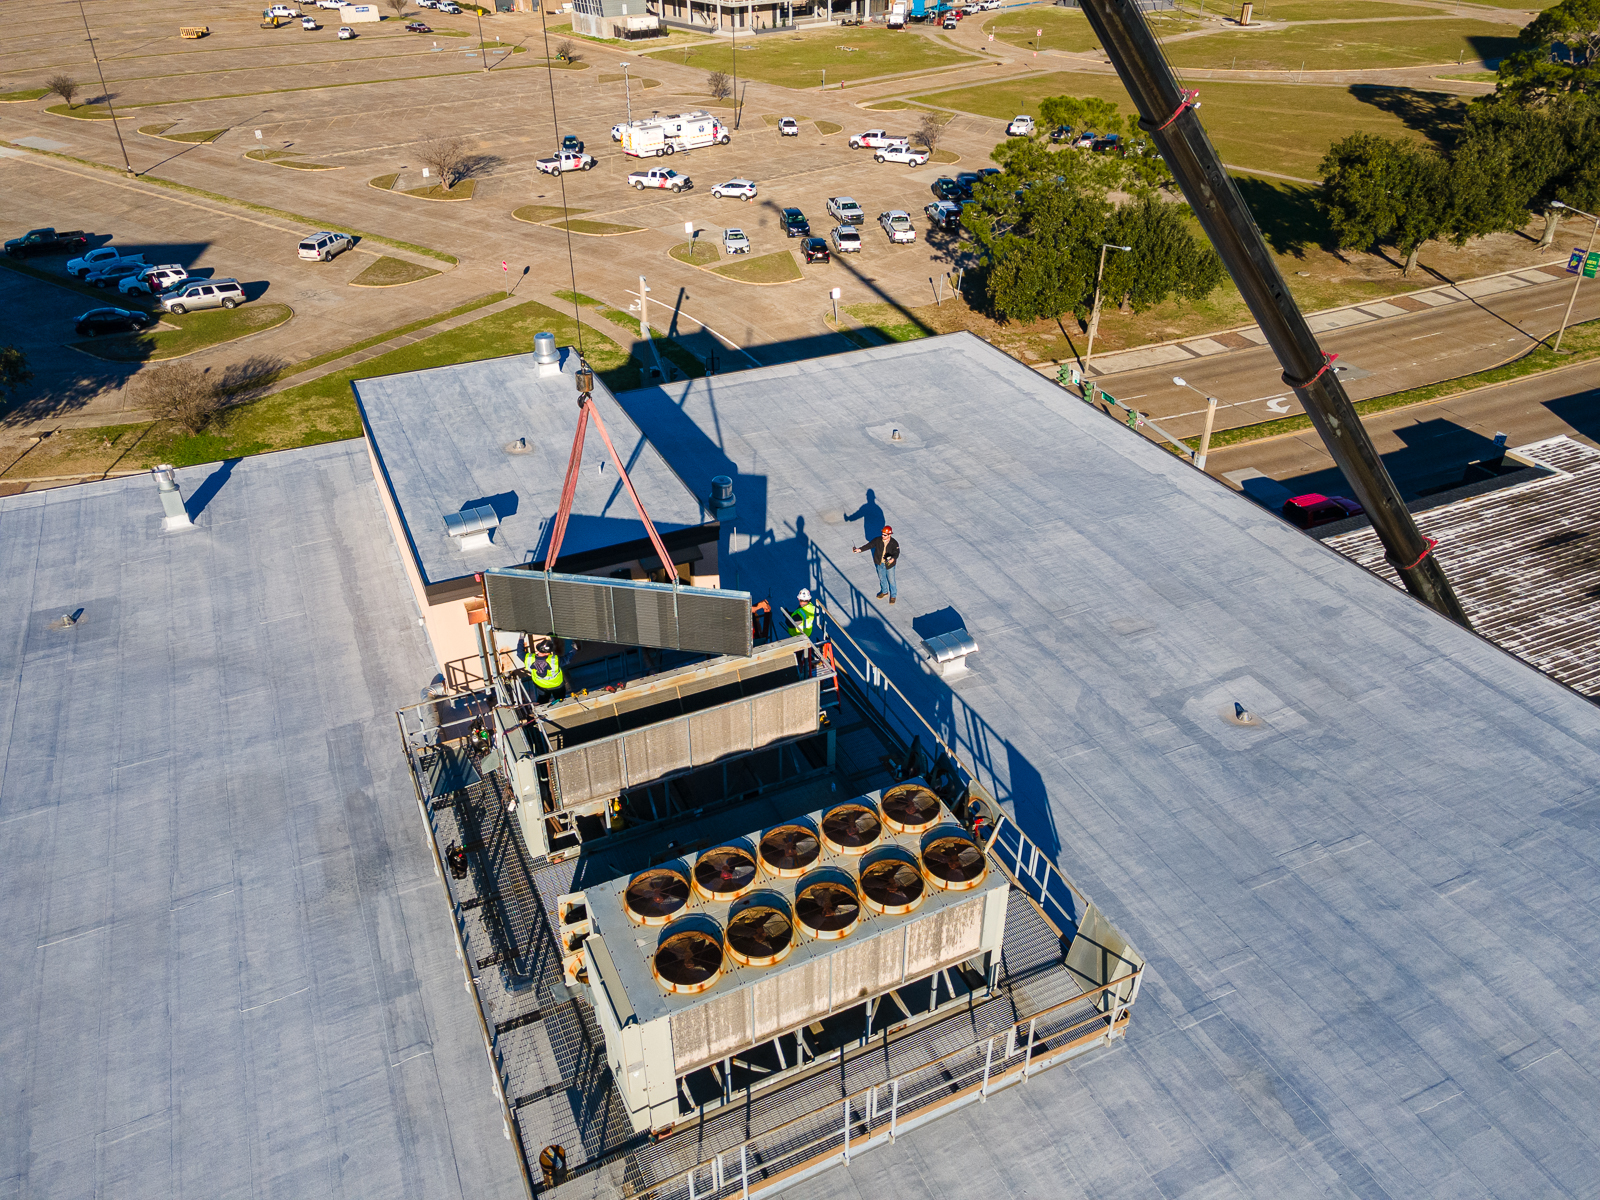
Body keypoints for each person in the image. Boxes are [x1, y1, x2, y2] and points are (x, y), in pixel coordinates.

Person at [852, 524, 900, 604]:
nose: (883, 536)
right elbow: (869, 545)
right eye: (882, 534)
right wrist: (859, 550)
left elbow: (896, 553)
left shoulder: (894, 543)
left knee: (891, 581)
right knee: (882, 578)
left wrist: (892, 559)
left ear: (889, 535)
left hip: (889, 565)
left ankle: (893, 596)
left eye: (884, 535)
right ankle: (884, 592)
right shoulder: (878, 540)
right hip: (880, 563)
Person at [524, 636, 565, 700]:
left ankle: (542, 705)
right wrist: (574, 650)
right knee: (560, 700)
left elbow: (519, 653)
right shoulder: (554, 661)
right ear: (549, 652)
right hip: (557, 686)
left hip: (541, 686)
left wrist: (521, 638)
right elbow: (567, 659)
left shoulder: (529, 659)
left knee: (542, 700)